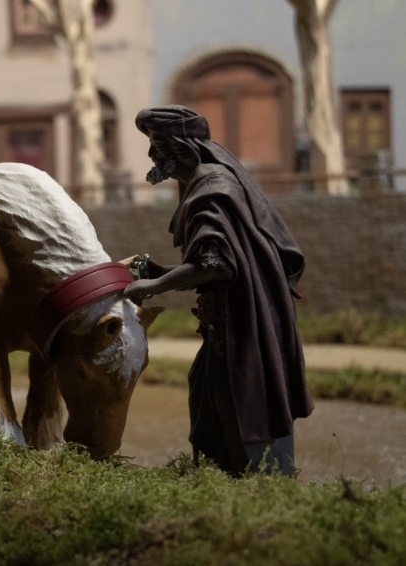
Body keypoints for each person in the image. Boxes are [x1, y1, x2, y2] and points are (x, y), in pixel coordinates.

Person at [123, 105, 314, 477]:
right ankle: (220, 476)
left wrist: (156, 284)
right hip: (225, 325)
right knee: (205, 388)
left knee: (242, 400)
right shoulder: (205, 183)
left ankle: (257, 484)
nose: (152, 156)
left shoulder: (213, 188)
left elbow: (218, 266)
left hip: (241, 327)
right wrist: (163, 271)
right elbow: (212, 259)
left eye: (158, 147)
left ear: (181, 149)